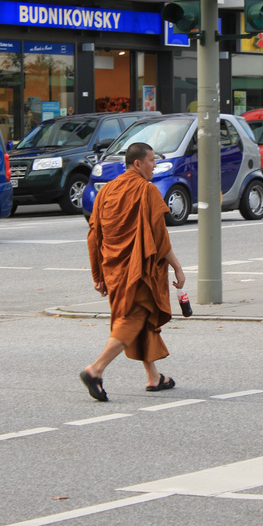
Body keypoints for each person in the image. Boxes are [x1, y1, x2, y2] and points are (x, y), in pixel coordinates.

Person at [80, 141, 186, 402]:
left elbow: (94, 236)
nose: (155, 165)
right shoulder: (146, 191)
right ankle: (96, 369)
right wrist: (178, 267)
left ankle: (153, 376)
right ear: (138, 163)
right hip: (139, 271)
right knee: (134, 318)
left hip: (114, 270)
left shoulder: (106, 191)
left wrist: (98, 275)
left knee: (141, 315)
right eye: (151, 160)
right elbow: (160, 240)